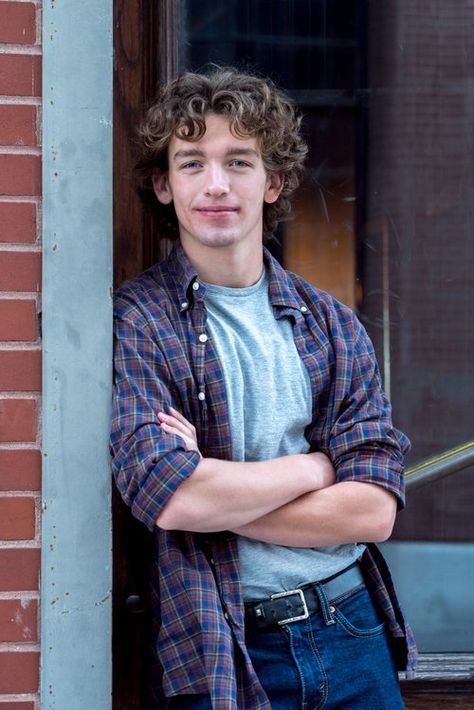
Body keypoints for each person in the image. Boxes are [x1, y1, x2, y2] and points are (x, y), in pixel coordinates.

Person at [110, 66, 416, 709]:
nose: (216, 184)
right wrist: (317, 465)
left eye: (239, 161)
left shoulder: (331, 324)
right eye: (192, 163)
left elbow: (372, 511)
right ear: (164, 185)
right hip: (224, 644)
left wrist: (217, 484)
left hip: (351, 630)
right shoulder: (137, 321)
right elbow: (171, 500)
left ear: (272, 181)